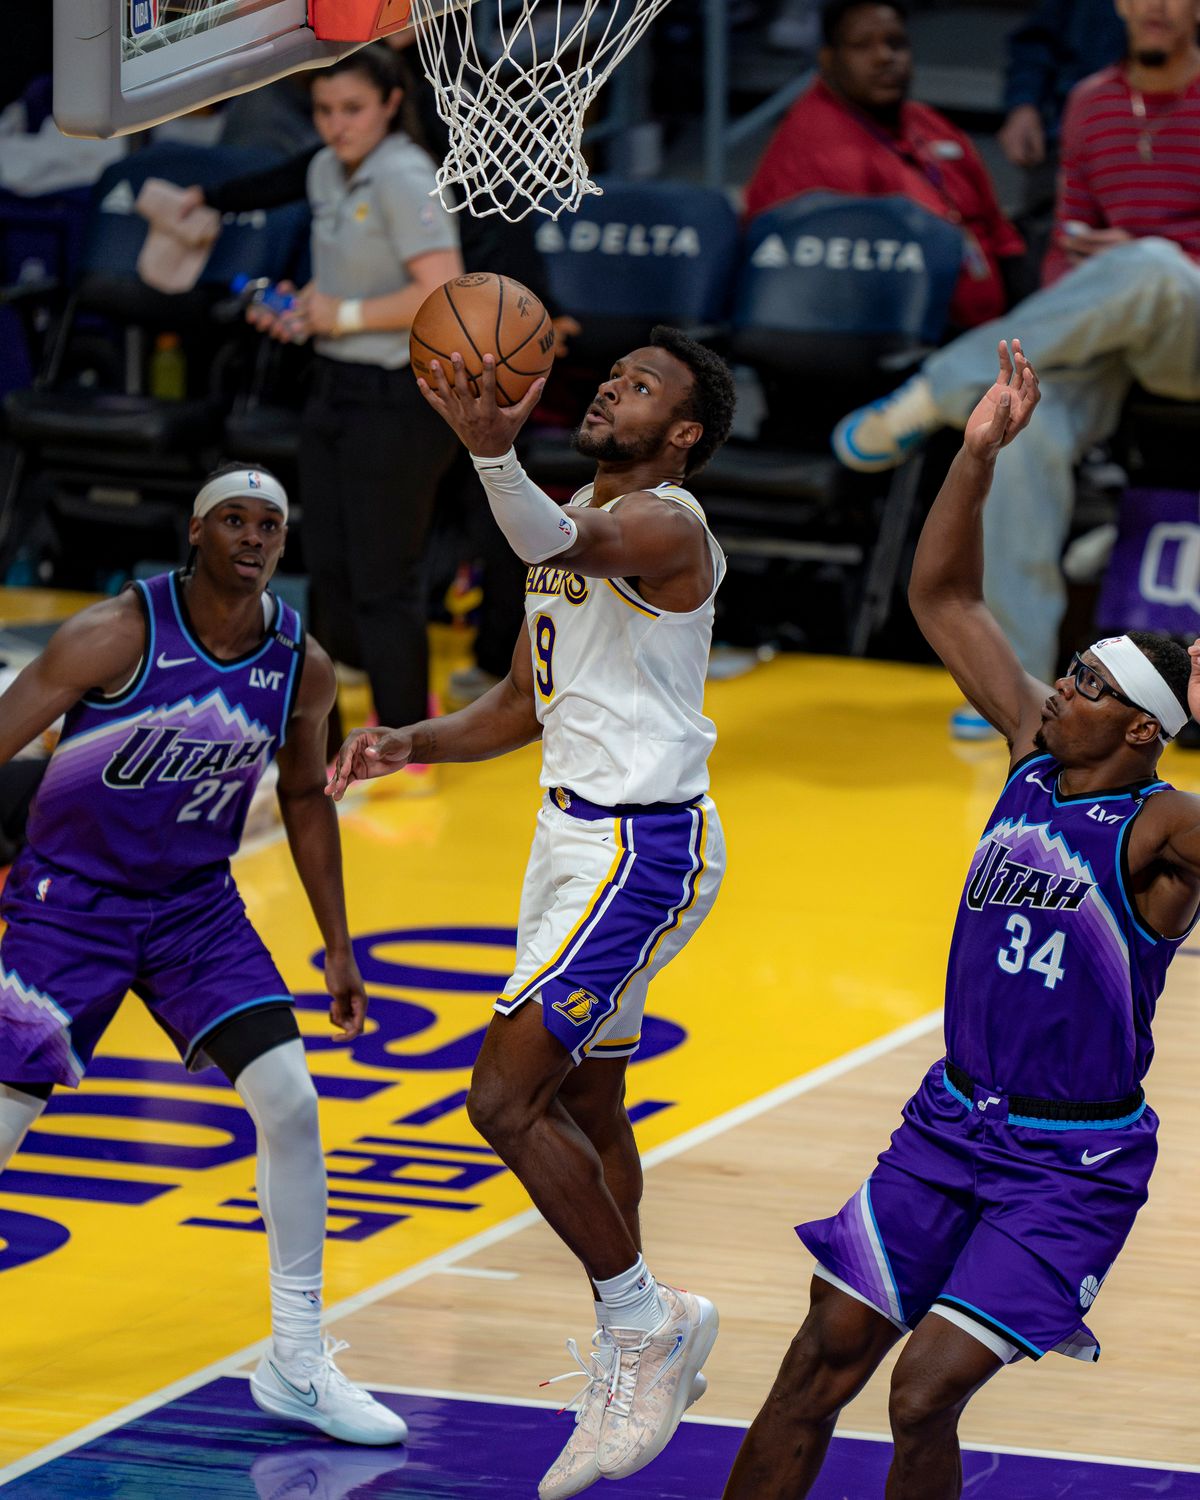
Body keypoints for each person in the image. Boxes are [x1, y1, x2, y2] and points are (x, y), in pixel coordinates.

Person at [724, 341, 1200, 1500]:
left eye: (1091, 685)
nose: (1063, 687)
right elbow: (943, 597)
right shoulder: (1034, 756)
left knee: (922, 1389)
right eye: (1071, 671)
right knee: (817, 1363)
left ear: (1142, 729)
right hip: (947, 1126)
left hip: (1070, 1162)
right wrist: (976, 453)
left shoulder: (1165, 827)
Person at [327, 325, 737, 1497]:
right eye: (612, 375)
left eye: (640, 386)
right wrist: (413, 740)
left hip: (638, 848)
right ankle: (643, 1343)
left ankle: (642, 1324)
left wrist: (487, 452)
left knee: (502, 1099)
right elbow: (522, 699)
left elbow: (563, 539)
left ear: (682, 433)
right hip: (569, 843)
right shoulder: (570, 515)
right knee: (589, 1099)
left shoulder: (665, 524)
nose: (613, 388)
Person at [0, 464, 405, 1447]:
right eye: (235, 519)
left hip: (195, 911)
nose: (254, 537)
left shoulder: (300, 662)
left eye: (271, 524)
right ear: (195, 532)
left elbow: (304, 794)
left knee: (293, 1103)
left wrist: (339, 945)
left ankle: (297, 1361)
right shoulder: (114, 634)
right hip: (71, 908)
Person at [833, 0, 1200, 694]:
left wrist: (1148, 258)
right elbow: (1069, 244)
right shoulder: (1090, 103)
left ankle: (938, 387)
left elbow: (1145, 264)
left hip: (1188, 332)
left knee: (1154, 266)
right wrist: (1094, 283)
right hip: (1110, 333)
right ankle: (1016, 688)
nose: (1155, 6)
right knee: (1018, 433)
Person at [230, 45, 463, 769]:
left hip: (397, 396)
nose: (337, 125)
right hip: (332, 383)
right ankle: (323, 742)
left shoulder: (406, 174)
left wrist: (346, 315)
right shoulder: (324, 170)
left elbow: (441, 290)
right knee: (326, 570)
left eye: (353, 109)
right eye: (325, 110)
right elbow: (338, 293)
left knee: (383, 580)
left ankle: (407, 740)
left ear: (391, 103)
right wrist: (302, 311)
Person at [743, 0, 1025, 334]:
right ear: (828, 59)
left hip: (993, 334)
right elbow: (844, 299)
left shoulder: (929, 123)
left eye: (896, 43)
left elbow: (1001, 234)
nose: (884, 57)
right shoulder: (816, 151)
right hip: (905, 343)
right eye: (862, 46)